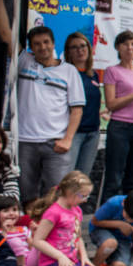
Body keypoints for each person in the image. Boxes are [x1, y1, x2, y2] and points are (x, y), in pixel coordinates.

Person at [13, 26, 86, 204]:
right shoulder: (24, 61)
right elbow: (7, 35)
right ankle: (30, 229)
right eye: (37, 44)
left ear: (53, 44)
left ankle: (51, 231)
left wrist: (68, 139)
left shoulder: (69, 71)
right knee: (26, 193)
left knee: (55, 195)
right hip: (26, 141)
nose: (42, 47)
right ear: (31, 47)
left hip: (55, 143)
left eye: (46, 42)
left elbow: (76, 109)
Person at [29, 171, 103, 266]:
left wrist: (84, 257)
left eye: (87, 196)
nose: (85, 200)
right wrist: (59, 256)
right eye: (82, 196)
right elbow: (38, 240)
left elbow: (78, 237)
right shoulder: (53, 212)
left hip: (70, 260)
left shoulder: (77, 210)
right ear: (70, 193)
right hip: (52, 263)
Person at [102, 30, 133, 200]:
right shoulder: (112, 71)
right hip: (120, 127)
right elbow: (111, 104)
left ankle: (130, 216)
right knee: (114, 178)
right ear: (118, 47)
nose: (130, 48)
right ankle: (107, 217)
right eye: (125, 44)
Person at [60, 32, 101, 176]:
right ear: (68, 52)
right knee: (66, 177)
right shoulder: (65, 74)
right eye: (74, 47)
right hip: (73, 134)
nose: (80, 50)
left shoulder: (93, 75)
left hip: (93, 133)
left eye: (83, 46)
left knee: (82, 179)